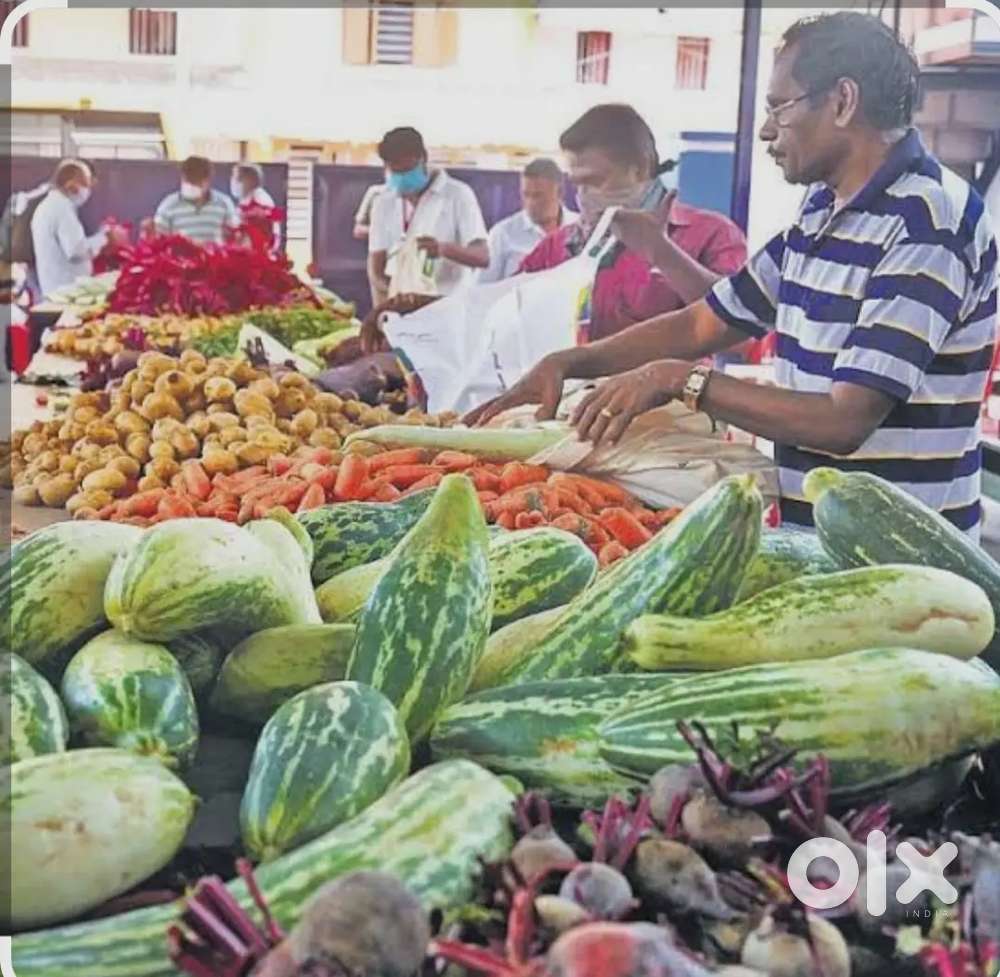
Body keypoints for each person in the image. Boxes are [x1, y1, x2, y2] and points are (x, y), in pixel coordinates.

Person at [470, 12, 998, 540]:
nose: (767, 129)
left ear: (842, 101)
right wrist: (570, 362)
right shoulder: (822, 210)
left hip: (905, 561)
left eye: (778, 107)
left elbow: (844, 421)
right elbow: (706, 322)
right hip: (819, 537)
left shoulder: (929, 223)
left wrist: (680, 378)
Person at [518, 104, 748, 342]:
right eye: (577, 184)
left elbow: (741, 334)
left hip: (668, 380)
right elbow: (505, 321)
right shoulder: (556, 247)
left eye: (595, 181)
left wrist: (662, 252)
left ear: (640, 169)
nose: (585, 194)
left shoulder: (711, 235)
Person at [367, 126, 488, 307]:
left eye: (407, 170)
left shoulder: (457, 195)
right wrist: (394, 293)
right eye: (395, 172)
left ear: (423, 159)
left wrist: (443, 249)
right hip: (398, 309)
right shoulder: (383, 202)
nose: (401, 178)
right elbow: (376, 266)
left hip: (447, 308)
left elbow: (482, 257)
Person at [478, 158, 578, 284]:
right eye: (526, 195)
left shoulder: (580, 228)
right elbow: (483, 289)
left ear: (559, 193)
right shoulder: (502, 234)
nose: (531, 203)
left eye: (538, 196)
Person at [29, 159, 116, 299]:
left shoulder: (50, 206)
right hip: (65, 292)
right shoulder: (61, 209)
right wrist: (104, 238)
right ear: (71, 184)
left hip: (57, 289)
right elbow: (76, 251)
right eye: (86, 184)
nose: (87, 191)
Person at [154, 156, 240, 244]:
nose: (191, 186)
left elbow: (235, 236)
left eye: (195, 181)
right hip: (181, 256)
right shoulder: (168, 205)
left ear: (207, 181)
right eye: (188, 181)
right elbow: (159, 240)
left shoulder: (224, 203)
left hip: (215, 255)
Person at [230, 162, 282, 251]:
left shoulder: (259, 199)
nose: (233, 183)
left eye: (237, 179)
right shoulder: (248, 199)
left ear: (248, 180)